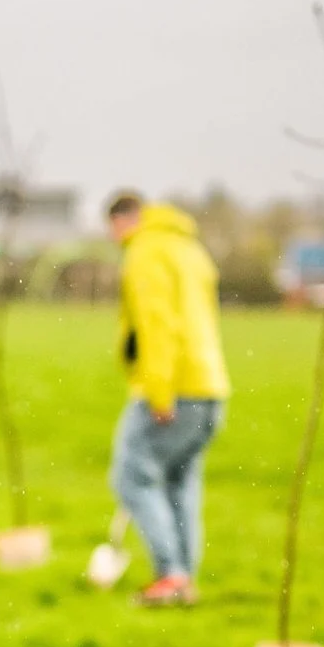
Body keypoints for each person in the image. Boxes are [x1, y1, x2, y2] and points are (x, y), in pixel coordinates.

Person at [105, 191, 230, 606]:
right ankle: (183, 577)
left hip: (173, 386)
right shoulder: (189, 248)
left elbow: (157, 323)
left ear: (122, 221)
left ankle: (171, 574)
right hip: (210, 385)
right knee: (179, 479)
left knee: (131, 476)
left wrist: (159, 392)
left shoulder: (145, 251)